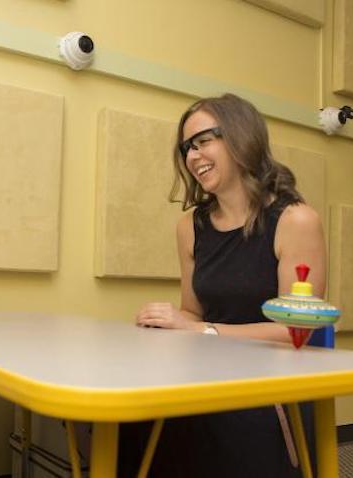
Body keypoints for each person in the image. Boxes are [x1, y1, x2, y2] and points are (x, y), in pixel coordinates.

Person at [123, 93, 327, 477]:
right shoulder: (190, 227)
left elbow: (299, 331)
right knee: (133, 423)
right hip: (208, 371)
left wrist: (204, 330)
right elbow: (192, 312)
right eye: (187, 147)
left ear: (240, 137)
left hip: (272, 387)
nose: (193, 156)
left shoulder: (295, 220)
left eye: (203, 141)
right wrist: (164, 324)